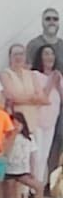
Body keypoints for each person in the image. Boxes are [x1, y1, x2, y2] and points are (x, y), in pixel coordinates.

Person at [31, 41, 63, 186]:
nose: (50, 57)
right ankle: (33, 187)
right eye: (46, 54)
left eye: (52, 54)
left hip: (51, 120)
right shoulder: (35, 75)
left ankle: (40, 185)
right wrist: (51, 82)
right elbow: (42, 97)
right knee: (36, 155)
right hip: (38, 119)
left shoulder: (58, 76)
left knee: (44, 156)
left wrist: (57, 83)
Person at [4, 110, 41, 198]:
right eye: (13, 124)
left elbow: (33, 156)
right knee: (10, 197)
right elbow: (6, 152)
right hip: (9, 170)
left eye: (18, 123)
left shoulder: (30, 138)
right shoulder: (7, 137)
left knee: (39, 186)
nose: (16, 126)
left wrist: (32, 171)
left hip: (23, 171)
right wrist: (13, 134)